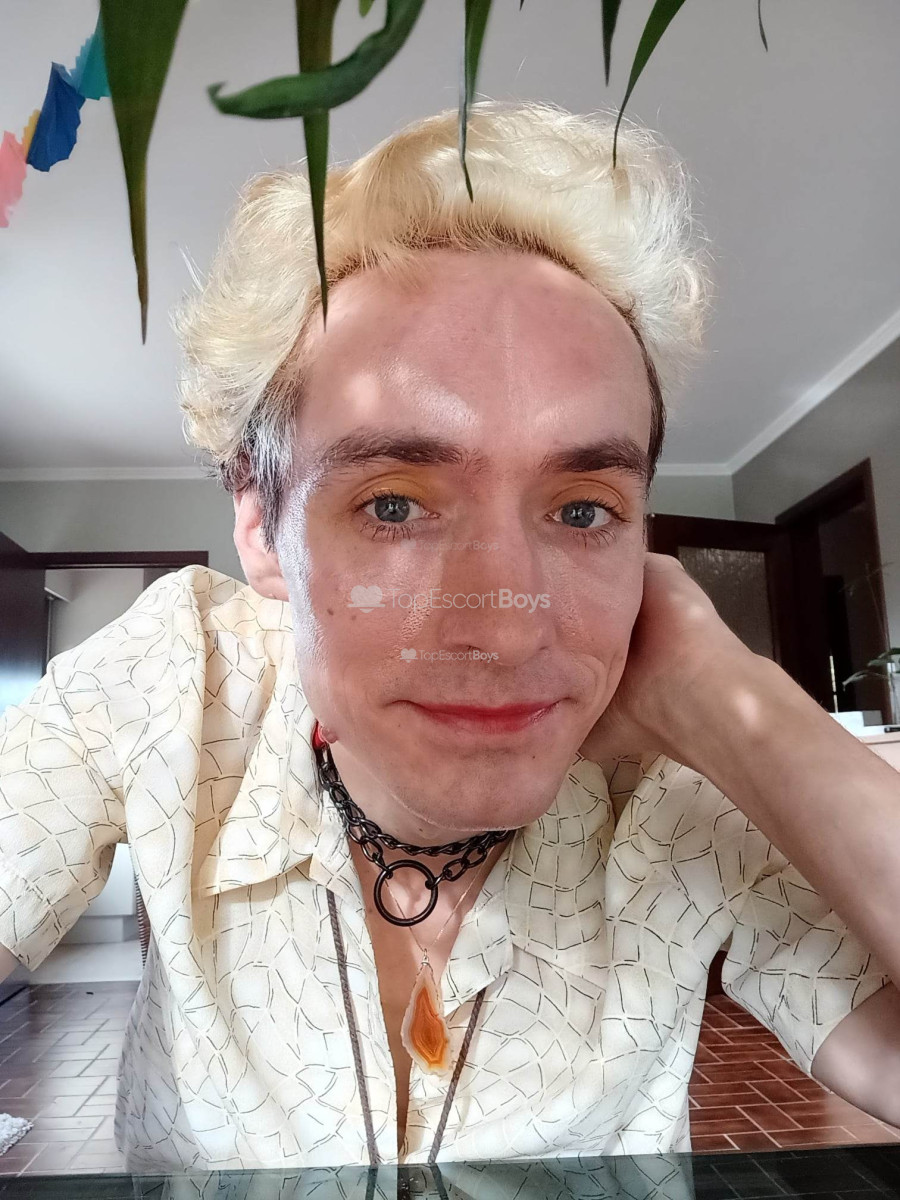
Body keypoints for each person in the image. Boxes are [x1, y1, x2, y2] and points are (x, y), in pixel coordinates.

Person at [1, 100, 898, 1174]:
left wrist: (736, 704)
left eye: (583, 510)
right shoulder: (173, 680)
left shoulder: (677, 792)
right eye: (394, 504)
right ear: (261, 525)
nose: (509, 630)